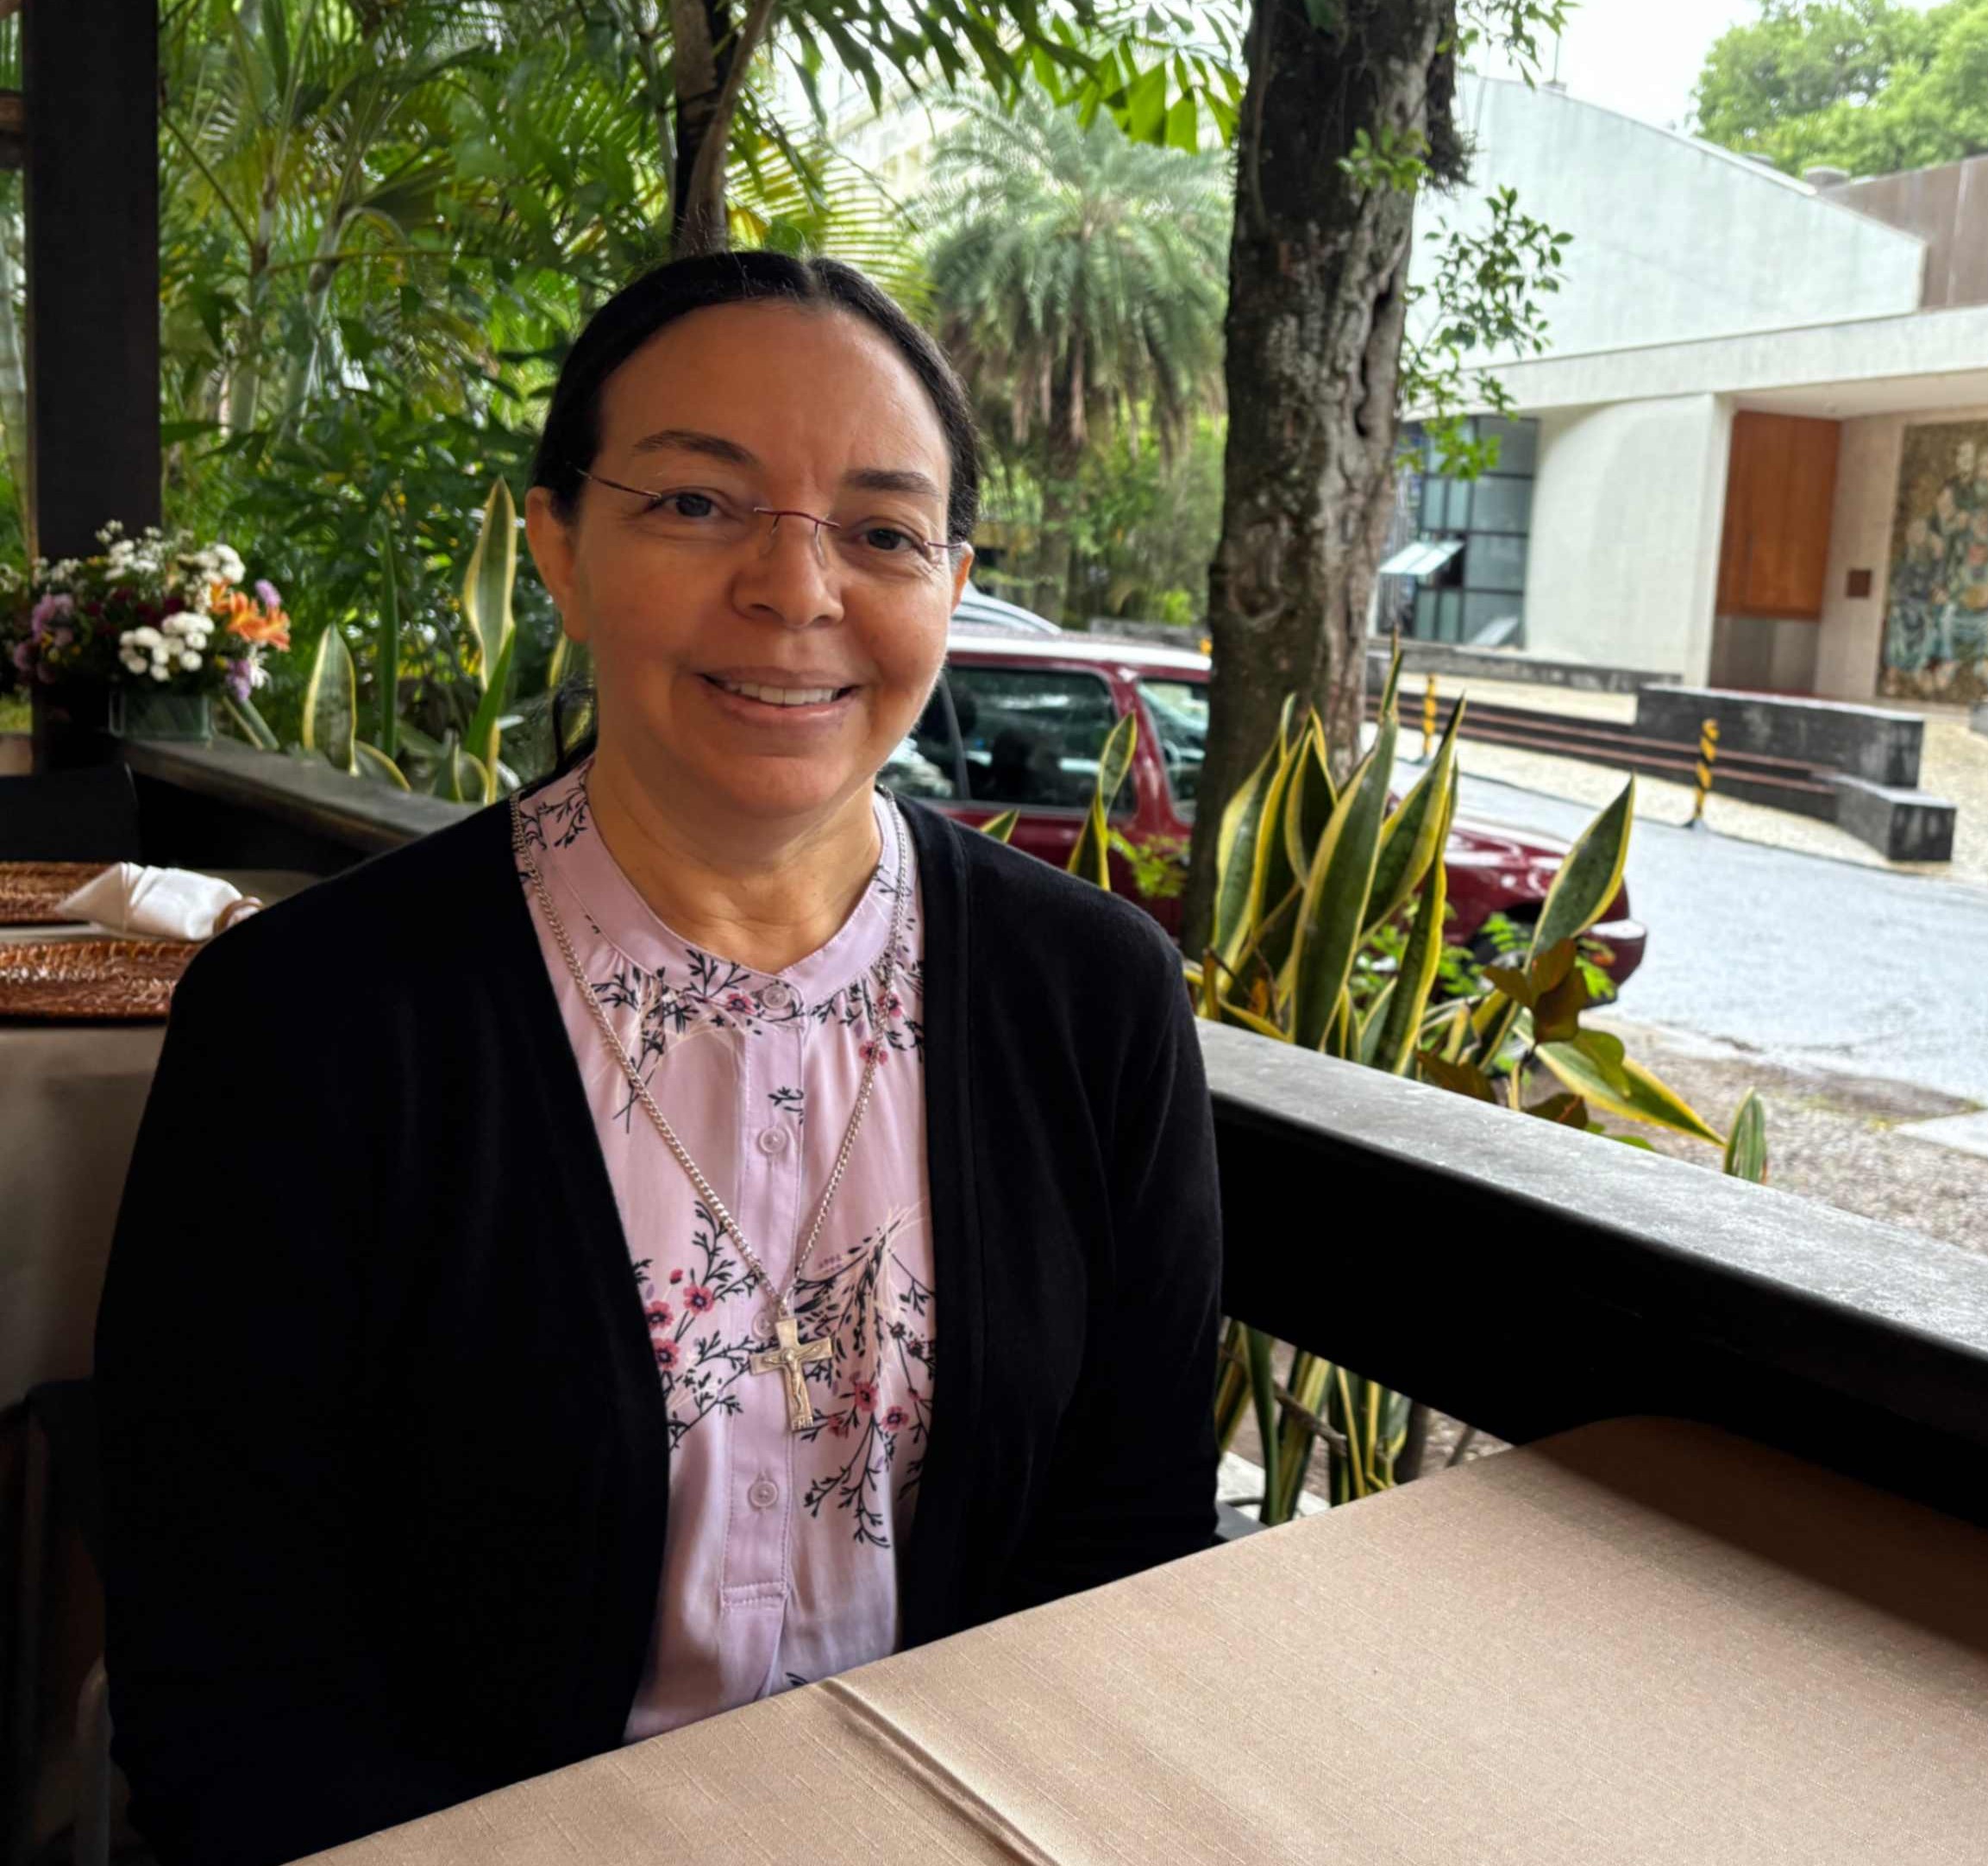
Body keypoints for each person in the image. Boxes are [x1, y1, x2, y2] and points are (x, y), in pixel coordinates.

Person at [93, 251, 1224, 1866]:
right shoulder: (314, 1017)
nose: (797, 589)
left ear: (951, 586)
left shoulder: (1096, 1001)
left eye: (883, 530)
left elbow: (1129, 1564)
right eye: (699, 505)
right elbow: (228, 1672)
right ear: (557, 543)